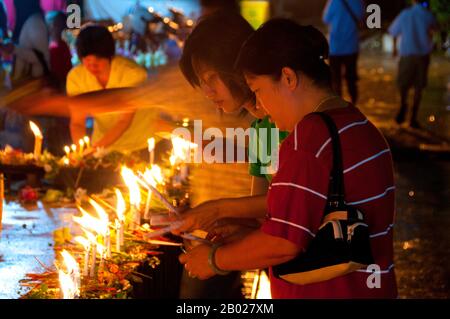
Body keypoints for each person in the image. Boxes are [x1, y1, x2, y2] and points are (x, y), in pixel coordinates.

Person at [179, 18, 397, 299]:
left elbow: (283, 242)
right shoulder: (357, 124)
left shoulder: (308, 138)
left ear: (288, 78)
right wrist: (241, 232)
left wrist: (213, 260)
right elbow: (300, 218)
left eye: (258, 90)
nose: (262, 108)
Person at [176, 12, 290, 298]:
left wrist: (217, 210)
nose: (207, 91)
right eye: (200, 81)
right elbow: (265, 208)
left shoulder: (289, 123)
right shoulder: (263, 127)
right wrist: (229, 227)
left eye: (212, 77)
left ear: (239, 64)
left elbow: (293, 208)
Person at [67, 25, 153, 152]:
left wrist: (95, 150)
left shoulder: (132, 73)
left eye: (98, 58)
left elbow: (124, 121)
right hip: (102, 142)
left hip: (140, 142)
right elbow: (77, 122)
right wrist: (82, 151)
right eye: (87, 59)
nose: (92, 65)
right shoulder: (76, 77)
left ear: (109, 55)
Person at [388, 0, 437, 128]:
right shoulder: (428, 14)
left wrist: (394, 49)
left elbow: (393, 32)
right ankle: (413, 117)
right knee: (418, 87)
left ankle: (403, 105)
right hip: (423, 55)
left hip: (407, 54)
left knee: (403, 85)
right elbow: (434, 30)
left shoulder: (405, 14)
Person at [323, 0, 364, 105]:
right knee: (351, 79)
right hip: (351, 47)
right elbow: (361, 17)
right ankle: (354, 104)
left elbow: (325, 19)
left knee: (336, 80)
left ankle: (338, 106)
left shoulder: (333, 2)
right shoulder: (358, 2)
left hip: (335, 48)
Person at [45, 10, 72, 87]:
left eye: (58, 24)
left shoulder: (63, 46)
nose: (54, 26)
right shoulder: (46, 45)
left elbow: (67, 70)